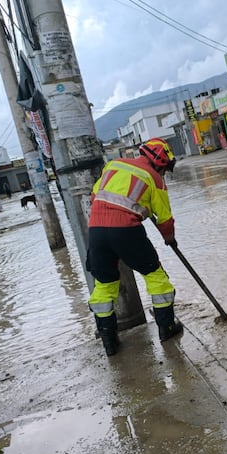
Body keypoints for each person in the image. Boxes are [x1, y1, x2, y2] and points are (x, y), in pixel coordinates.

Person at [85, 137, 183, 356]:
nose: (164, 173)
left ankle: (110, 342)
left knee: (104, 286)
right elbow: (164, 219)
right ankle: (166, 329)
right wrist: (169, 238)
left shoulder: (113, 165)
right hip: (126, 230)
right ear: (160, 163)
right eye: (165, 168)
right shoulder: (154, 178)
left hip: (96, 230)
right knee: (156, 278)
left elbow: (95, 196)